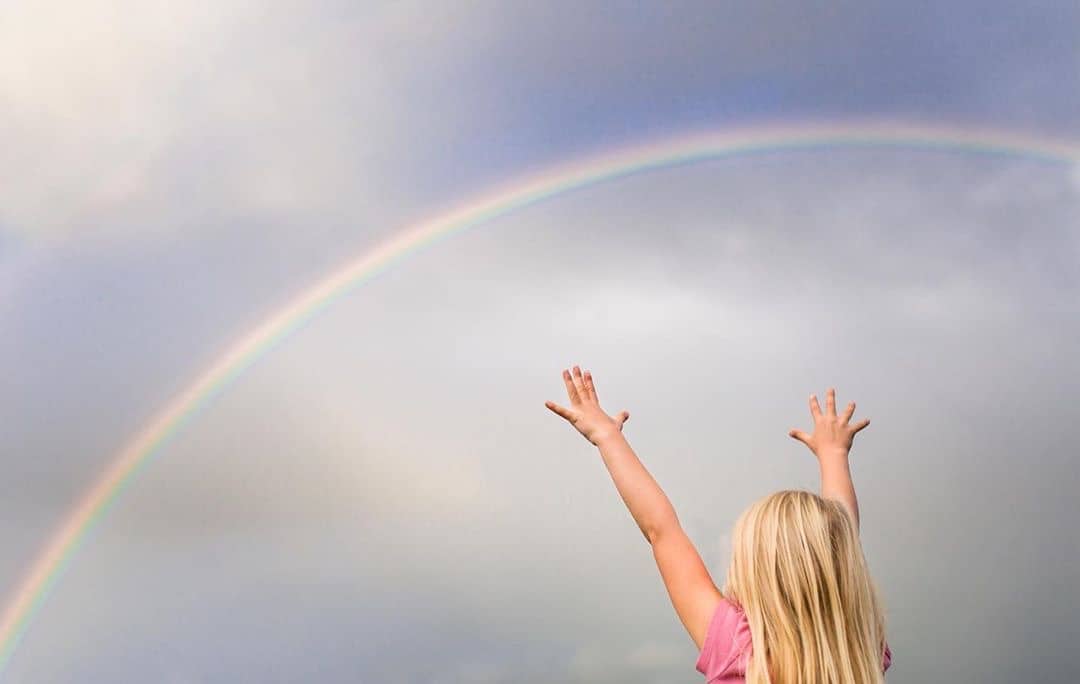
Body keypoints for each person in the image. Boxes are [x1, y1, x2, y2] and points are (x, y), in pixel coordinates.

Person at [545, 366, 892, 683]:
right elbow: (840, 536)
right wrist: (834, 456)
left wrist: (608, 438)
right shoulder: (860, 643)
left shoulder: (739, 650)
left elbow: (662, 531)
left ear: (754, 570)